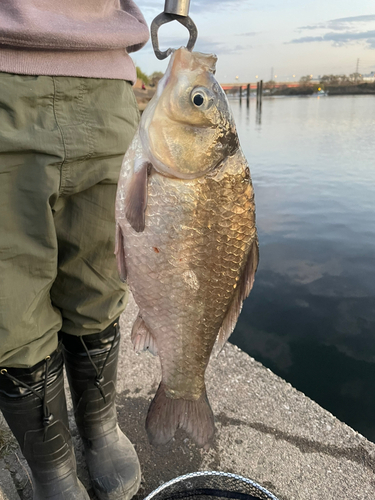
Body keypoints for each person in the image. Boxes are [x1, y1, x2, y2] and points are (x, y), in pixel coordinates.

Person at [0, 2, 149, 500]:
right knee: (9, 310)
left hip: (105, 80)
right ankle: (52, 468)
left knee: (101, 283)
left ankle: (100, 426)